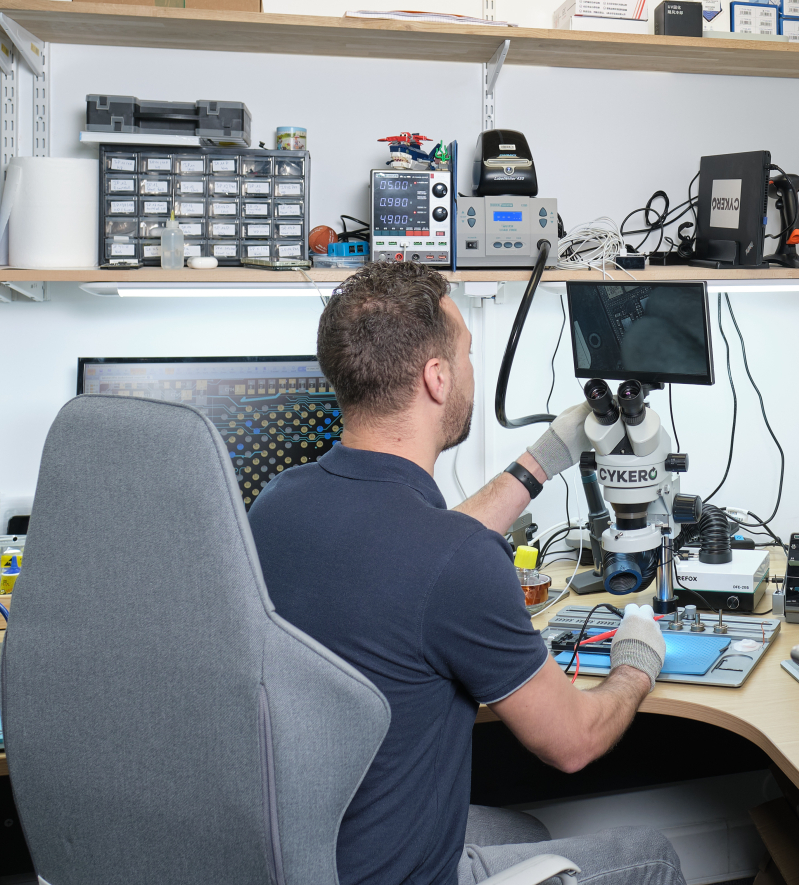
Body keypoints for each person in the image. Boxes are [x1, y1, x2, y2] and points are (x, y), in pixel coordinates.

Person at [249, 261, 683, 885]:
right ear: (436, 377)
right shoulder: (453, 560)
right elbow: (574, 742)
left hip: (312, 852)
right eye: (469, 355)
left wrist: (546, 457)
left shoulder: (278, 503)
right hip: (400, 877)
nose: (471, 374)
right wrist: (634, 667)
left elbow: (424, 548)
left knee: (523, 833)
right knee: (653, 857)